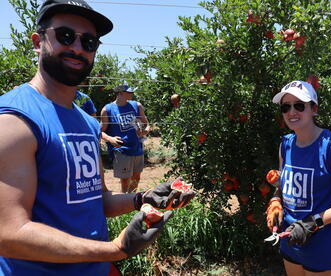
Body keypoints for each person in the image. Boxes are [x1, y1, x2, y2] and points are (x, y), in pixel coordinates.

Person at [0, 1, 194, 275]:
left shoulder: (86, 123)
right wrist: (116, 249)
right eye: (66, 36)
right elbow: (9, 235)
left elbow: (98, 201)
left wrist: (143, 198)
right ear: (37, 41)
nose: (78, 48)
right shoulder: (14, 120)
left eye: (89, 42)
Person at [266, 80, 331, 275]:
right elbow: (283, 186)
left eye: (299, 105)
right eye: (286, 107)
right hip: (290, 239)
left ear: (314, 109)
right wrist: (276, 199)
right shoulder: (285, 144)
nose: (292, 112)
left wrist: (313, 223)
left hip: (323, 247)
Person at [100, 84, 150, 193]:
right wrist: (110, 139)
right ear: (120, 93)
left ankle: (132, 200)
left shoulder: (137, 106)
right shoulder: (107, 109)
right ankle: (125, 201)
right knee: (125, 180)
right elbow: (100, 131)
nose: (132, 94)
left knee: (136, 177)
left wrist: (145, 131)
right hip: (121, 149)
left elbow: (146, 123)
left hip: (137, 147)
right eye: (129, 92)